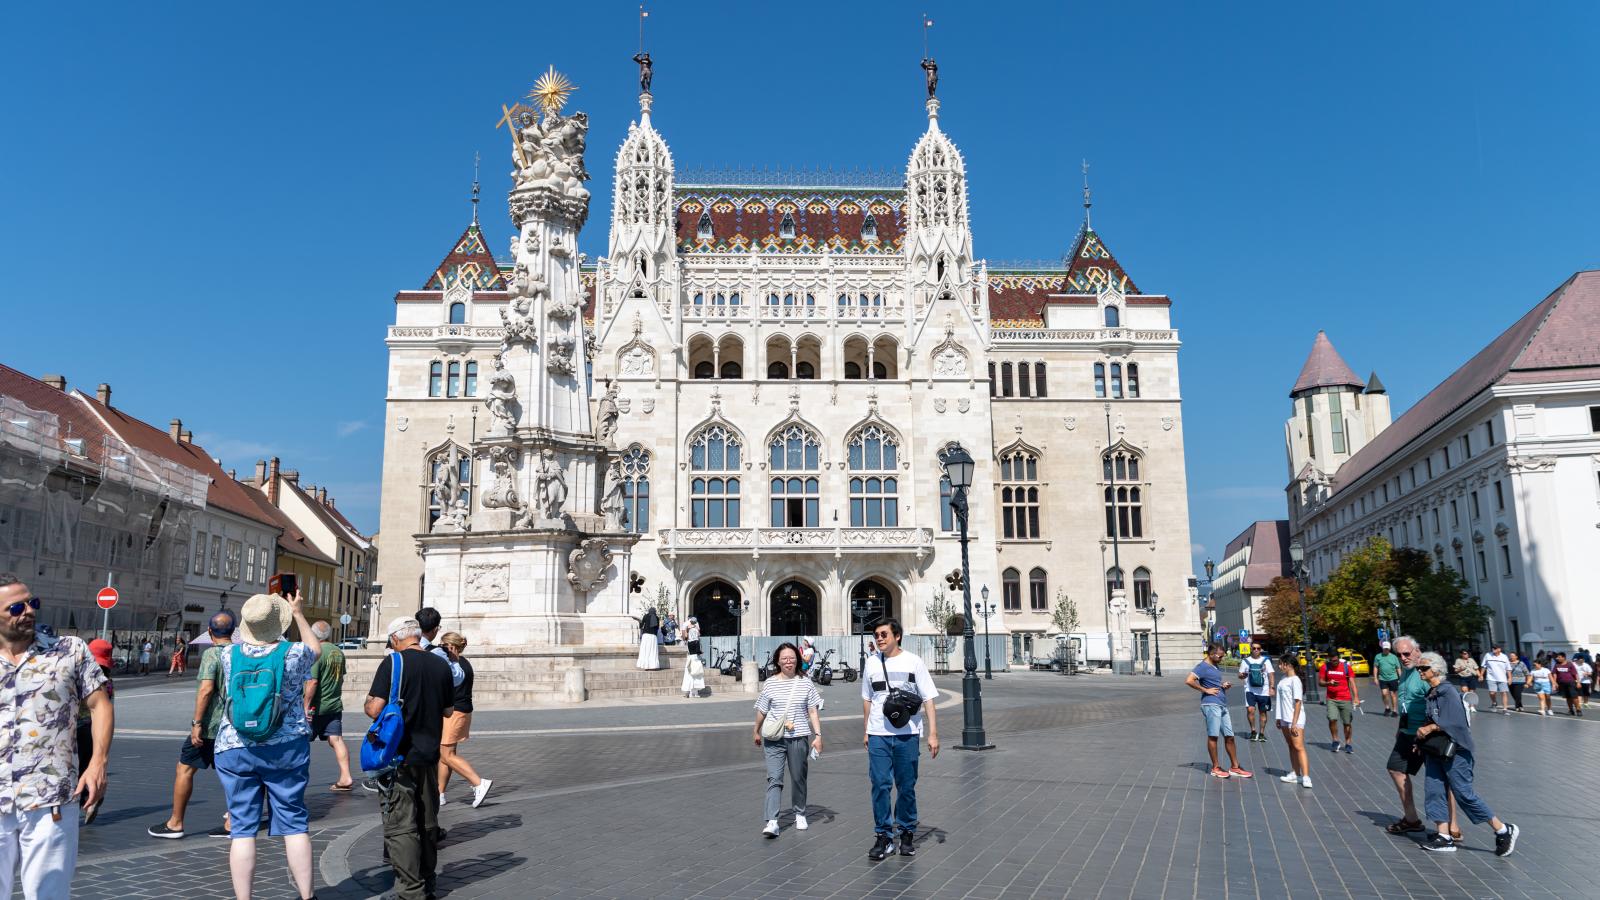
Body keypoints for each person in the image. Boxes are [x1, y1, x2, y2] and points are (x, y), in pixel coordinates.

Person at [0, 575, 112, 900]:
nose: (29, 612)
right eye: (17, 607)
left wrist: (98, 763)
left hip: (51, 800)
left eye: (32, 603)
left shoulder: (69, 651)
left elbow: (100, 705)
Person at [213, 592, 320, 900]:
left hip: (234, 745)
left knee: (242, 829)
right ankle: (306, 896)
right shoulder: (294, 652)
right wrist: (298, 613)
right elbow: (317, 650)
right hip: (285, 746)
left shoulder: (228, 654)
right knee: (294, 822)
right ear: (279, 623)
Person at [366, 617, 456, 900]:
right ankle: (428, 883)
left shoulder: (393, 663)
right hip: (429, 754)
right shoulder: (441, 664)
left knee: (401, 825)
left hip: (398, 756)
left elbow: (374, 709)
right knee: (428, 821)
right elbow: (448, 711)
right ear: (418, 636)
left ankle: (410, 891)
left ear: (395, 639)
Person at [1412, 651, 1519, 856]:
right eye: (1419, 668)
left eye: (1423, 668)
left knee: (1463, 793)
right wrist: (1419, 740)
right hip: (1436, 751)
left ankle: (1503, 829)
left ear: (1436, 670)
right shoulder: (1432, 693)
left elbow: (1455, 721)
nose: (1420, 671)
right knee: (1433, 790)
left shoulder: (1447, 691)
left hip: (1457, 751)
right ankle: (1443, 836)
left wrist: (1431, 729)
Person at [148, 611, 237, 840]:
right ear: (233, 631)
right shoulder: (240, 652)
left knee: (185, 768)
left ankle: (175, 822)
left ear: (209, 632)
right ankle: (233, 821)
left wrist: (197, 723)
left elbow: (206, 689)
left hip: (210, 726)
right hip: (233, 725)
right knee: (232, 774)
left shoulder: (211, 654)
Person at [861, 618, 940, 861]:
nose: (880, 638)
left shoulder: (913, 662)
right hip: (878, 735)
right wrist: (866, 730)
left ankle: (906, 832)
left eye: (884, 634)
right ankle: (883, 836)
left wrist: (933, 733)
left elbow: (928, 698)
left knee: (906, 786)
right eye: (876, 635)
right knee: (881, 785)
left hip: (907, 734)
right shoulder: (871, 663)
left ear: (897, 636)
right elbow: (867, 698)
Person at [1383, 636, 1458, 841]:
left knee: (1441, 778)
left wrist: (1428, 730)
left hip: (1428, 734)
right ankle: (1412, 819)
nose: (1403, 658)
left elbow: (1439, 703)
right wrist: (1401, 727)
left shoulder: (1424, 673)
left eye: (1407, 653)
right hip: (1408, 732)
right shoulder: (1405, 674)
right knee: (1396, 768)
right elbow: (1406, 703)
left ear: (1417, 651)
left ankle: (1452, 825)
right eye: (1399, 655)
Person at [753, 642, 823, 838]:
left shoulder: (806, 682)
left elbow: (812, 711)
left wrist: (818, 735)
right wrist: (756, 730)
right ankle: (772, 821)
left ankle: (800, 813)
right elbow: (762, 710)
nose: (788, 661)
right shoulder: (770, 683)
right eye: (784, 658)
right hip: (774, 738)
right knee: (774, 778)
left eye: (792, 658)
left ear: (797, 660)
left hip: (798, 737)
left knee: (798, 777)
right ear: (778, 661)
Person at [435, 632, 492, 809]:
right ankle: (439, 793)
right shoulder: (464, 663)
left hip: (455, 713)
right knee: (446, 755)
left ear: (450, 647)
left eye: (442, 645)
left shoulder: (454, 665)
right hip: (463, 711)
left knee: (446, 754)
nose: (440, 648)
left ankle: (478, 782)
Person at [1186, 643, 1251, 779]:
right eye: (1220, 656)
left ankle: (1235, 767)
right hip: (1210, 704)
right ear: (1211, 654)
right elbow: (1189, 680)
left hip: (1221, 704)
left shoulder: (1215, 666)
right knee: (1213, 736)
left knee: (1230, 736)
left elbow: (1211, 682)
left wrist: (1222, 686)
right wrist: (1205, 690)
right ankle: (1215, 767)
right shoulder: (1202, 666)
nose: (1221, 659)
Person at [305, 621, 355, 792]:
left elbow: (312, 682)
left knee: (301, 742)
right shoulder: (338, 652)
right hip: (334, 705)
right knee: (336, 739)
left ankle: (296, 779)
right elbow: (340, 678)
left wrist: (305, 705)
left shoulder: (316, 653)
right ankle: (346, 775)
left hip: (316, 707)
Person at [80, 639, 117, 824]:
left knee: (78, 768)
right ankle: (92, 795)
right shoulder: (108, 681)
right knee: (90, 765)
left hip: (79, 728)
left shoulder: (84, 675)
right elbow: (108, 708)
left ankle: (84, 799)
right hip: (96, 731)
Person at [1274, 654, 1310, 788]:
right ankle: (1295, 773)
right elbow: (1279, 700)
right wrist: (1278, 718)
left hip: (1295, 718)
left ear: (1288, 665)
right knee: (1291, 746)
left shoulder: (1295, 680)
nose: (1279, 666)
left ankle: (1306, 777)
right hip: (1284, 718)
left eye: (1281, 663)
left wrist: (1294, 723)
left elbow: (1298, 702)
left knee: (1299, 746)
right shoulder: (1283, 679)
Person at [1318, 649, 1360, 753]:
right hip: (1331, 698)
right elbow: (1320, 682)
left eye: (1336, 660)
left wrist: (1356, 697)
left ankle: (1348, 743)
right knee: (1332, 719)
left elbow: (1352, 683)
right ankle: (1335, 740)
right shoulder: (1325, 667)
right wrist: (1329, 683)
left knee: (1347, 723)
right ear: (1329, 659)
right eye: (1332, 661)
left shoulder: (1346, 667)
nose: (1334, 662)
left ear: (1339, 658)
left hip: (1345, 698)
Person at [1237, 644, 1275, 742]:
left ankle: (1262, 733)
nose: (1256, 650)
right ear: (1251, 649)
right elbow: (1240, 675)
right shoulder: (1245, 661)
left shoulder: (1266, 661)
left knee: (1263, 712)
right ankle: (1253, 731)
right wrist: (1242, 676)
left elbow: (1271, 674)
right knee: (1250, 710)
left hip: (1264, 691)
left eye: (1258, 648)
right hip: (1250, 690)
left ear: (1261, 649)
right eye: (1254, 648)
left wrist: (1272, 687)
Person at [1373, 641, 1403, 717]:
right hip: (1382, 678)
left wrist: (1401, 678)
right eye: (1384, 648)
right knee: (1384, 693)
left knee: (1393, 695)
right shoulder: (1378, 656)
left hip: (1393, 678)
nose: (1386, 650)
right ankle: (1387, 707)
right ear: (1382, 648)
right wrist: (1375, 678)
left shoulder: (1394, 657)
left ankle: (1394, 711)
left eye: (1387, 648)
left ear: (1389, 648)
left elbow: (1398, 668)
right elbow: (1376, 667)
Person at [1480, 645, 1511, 713]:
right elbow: (1484, 666)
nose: (1493, 650)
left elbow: (1508, 668)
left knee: (1504, 693)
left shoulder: (1504, 657)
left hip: (1502, 678)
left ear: (1499, 649)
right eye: (1493, 648)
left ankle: (1505, 709)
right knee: (1492, 692)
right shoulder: (1488, 655)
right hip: (1491, 677)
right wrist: (1481, 675)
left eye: (1495, 649)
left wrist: (1510, 678)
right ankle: (1494, 702)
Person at [681, 617, 705, 699]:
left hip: (691, 659)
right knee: (697, 675)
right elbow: (698, 637)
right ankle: (695, 692)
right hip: (696, 659)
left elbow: (685, 638)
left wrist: (687, 631)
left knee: (690, 675)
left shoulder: (689, 638)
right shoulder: (696, 637)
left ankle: (691, 692)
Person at [636, 606, 660, 670]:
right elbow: (657, 628)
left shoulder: (646, 616)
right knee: (652, 651)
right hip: (653, 636)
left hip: (646, 636)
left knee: (645, 650)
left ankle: (645, 665)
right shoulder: (657, 618)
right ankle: (653, 665)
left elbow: (641, 625)